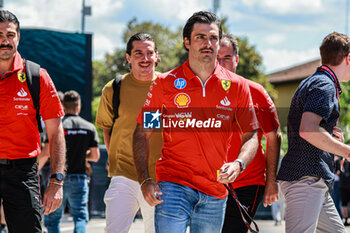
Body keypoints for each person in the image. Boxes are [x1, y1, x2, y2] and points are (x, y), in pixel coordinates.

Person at [133, 11, 259, 233]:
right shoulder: (165, 83)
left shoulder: (237, 86)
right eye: (200, 37)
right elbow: (143, 132)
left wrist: (239, 163)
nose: (208, 43)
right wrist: (145, 180)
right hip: (174, 184)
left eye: (213, 38)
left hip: (216, 190)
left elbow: (251, 136)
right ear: (187, 42)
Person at [277, 32, 350, 233]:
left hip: (313, 180)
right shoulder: (325, 85)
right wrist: (347, 151)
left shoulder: (316, 81)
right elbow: (308, 130)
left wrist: (331, 141)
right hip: (306, 179)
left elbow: (311, 130)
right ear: (348, 58)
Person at [0, 10, 65, 233]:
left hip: (22, 171)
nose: (4, 41)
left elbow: (56, 133)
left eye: (10, 34)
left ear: (18, 37)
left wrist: (57, 181)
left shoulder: (36, 76)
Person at [96, 32, 163, 233]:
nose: (145, 58)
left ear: (157, 56)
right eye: (138, 53)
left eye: (149, 53)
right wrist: (114, 157)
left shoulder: (168, 86)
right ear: (128, 57)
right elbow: (107, 128)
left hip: (159, 177)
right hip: (123, 175)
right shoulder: (113, 88)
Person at [218, 34, 281, 233]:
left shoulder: (256, 92)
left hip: (247, 182)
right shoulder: (200, 93)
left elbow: (274, 136)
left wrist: (271, 182)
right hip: (209, 184)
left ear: (236, 59)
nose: (221, 64)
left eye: (226, 58)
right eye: (216, 58)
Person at [44, 90, 100, 233]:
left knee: (53, 217)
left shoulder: (57, 126)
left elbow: (46, 152)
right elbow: (95, 156)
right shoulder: (89, 127)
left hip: (57, 179)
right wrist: (81, 155)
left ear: (62, 106)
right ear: (78, 106)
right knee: (80, 217)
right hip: (79, 179)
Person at [339, 158, 350, 226]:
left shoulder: (340, 161)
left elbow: (336, 172)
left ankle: (345, 220)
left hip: (342, 185)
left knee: (344, 203)